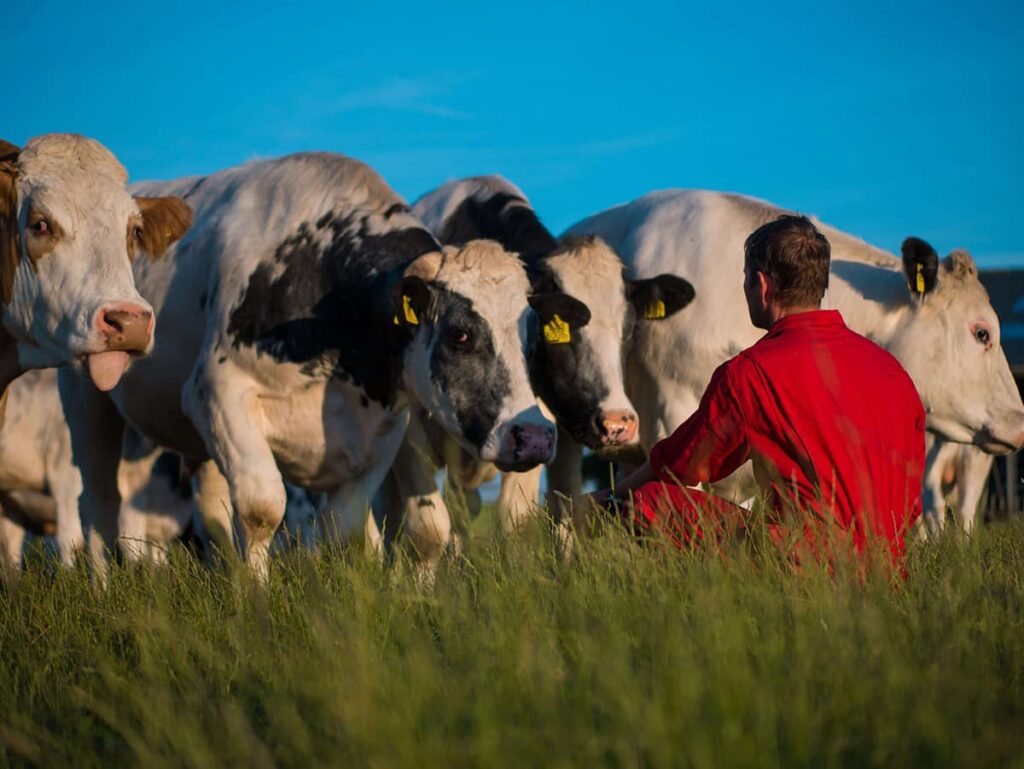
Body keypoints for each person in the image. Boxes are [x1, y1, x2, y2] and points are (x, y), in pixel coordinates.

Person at [581, 215, 926, 562]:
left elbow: (682, 466)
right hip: (890, 569)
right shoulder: (893, 371)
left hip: (807, 568)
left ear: (761, 285)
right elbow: (911, 503)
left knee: (651, 502)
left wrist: (609, 498)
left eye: (746, 279)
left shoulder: (751, 373)